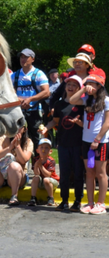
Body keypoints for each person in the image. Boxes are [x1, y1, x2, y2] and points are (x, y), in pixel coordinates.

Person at [41, 75, 84, 211]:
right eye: (68, 84)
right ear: (65, 87)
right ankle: (64, 200)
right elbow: (56, 121)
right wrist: (45, 128)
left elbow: (87, 125)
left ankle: (78, 201)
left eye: (74, 85)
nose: (70, 87)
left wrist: (79, 123)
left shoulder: (82, 104)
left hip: (78, 144)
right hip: (63, 143)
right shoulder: (59, 104)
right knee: (64, 174)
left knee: (78, 173)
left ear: (79, 88)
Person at [68, 72, 109, 214]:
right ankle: (90, 203)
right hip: (86, 141)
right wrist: (83, 89)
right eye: (88, 84)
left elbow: (107, 122)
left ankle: (101, 204)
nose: (89, 86)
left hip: (100, 142)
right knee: (89, 172)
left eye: (91, 84)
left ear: (99, 86)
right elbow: (72, 100)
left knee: (101, 173)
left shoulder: (106, 100)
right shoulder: (87, 100)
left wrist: (97, 139)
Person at [0, 126, 34, 206]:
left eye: (19, 126)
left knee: (14, 166)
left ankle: (14, 196)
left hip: (19, 177)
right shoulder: (4, 138)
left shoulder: (28, 142)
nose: (16, 128)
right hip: (2, 175)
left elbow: (23, 160)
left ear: (25, 129)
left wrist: (17, 146)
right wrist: (9, 147)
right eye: (14, 125)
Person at [11, 48, 49, 153]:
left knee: (36, 138)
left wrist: (30, 99)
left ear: (32, 59)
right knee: (16, 137)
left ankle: (37, 164)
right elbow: (9, 92)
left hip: (35, 111)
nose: (23, 59)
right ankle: (18, 164)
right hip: (18, 111)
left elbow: (46, 91)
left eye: (26, 57)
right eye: (21, 57)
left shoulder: (39, 74)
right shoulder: (14, 75)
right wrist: (21, 101)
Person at [29, 139, 60, 207]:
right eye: (42, 147)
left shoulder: (51, 161)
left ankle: (51, 198)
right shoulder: (35, 159)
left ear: (50, 151)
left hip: (52, 181)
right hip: (42, 181)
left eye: (46, 148)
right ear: (37, 150)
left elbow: (48, 175)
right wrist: (37, 165)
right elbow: (36, 173)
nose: (44, 149)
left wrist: (41, 166)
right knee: (35, 178)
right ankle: (33, 198)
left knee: (46, 179)